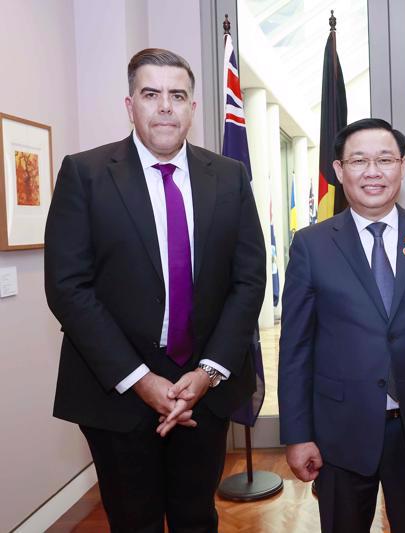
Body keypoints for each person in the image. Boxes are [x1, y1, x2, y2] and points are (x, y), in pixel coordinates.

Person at [44, 48, 266, 532]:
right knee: (132, 521)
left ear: (192, 108)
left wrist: (207, 373)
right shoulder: (85, 175)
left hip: (204, 391)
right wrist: (142, 381)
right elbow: (68, 288)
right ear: (130, 106)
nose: (165, 106)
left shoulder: (229, 178)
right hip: (116, 391)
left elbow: (248, 281)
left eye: (177, 95)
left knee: (196, 517)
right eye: (151, 94)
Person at [278, 118, 405, 533]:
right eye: (359, 160)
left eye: (385, 159)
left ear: (402, 167)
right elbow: (296, 348)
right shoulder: (312, 246)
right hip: (340, 433)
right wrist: (297, 434)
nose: (373, 172)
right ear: (339, 170)